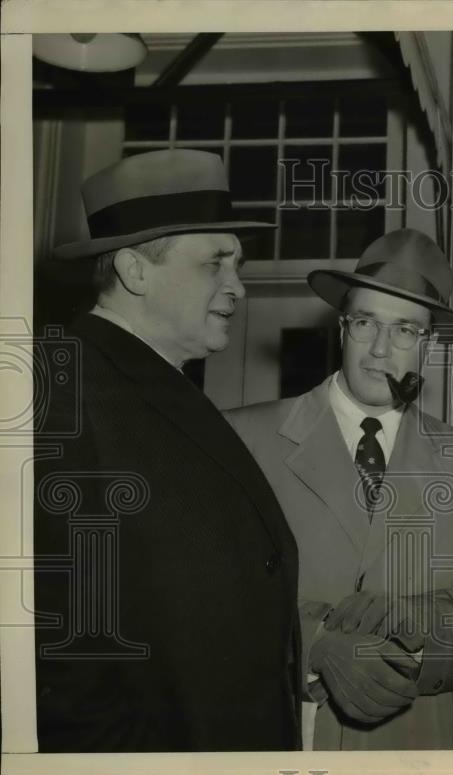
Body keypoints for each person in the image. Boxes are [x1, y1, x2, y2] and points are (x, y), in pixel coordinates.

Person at [33, 149, 301, 751]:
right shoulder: (61, 389)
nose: (237, 286)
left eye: (239, 264)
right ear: (134, 270)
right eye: (216, 263)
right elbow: (59, 652)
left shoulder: (155, 382)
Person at [226, 228, 453, 750]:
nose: (380, 348)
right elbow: (208, 593)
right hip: (285, 731)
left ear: (430, 343)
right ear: (343, 327)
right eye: (366, 322)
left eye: (405, 329)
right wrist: (314, 642)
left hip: (417, 740)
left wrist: (419, 629)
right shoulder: (244, 439)